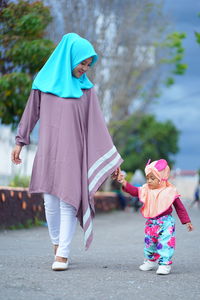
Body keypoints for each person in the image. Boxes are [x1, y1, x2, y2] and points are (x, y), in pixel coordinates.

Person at [11, 33, 123, 271]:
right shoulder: (43, 83)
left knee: (68, 201)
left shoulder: (87, 91)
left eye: (88, 64)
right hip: (49, 150)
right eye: (82, 62)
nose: (85, 68)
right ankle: (56, 244)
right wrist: (20, 142)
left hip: (74, 153)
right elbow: (31, 114)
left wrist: (112, 160)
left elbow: (98, 126)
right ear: (68, 57)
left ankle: (63, 253)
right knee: (49, 201)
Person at [114, 159, 193, 275]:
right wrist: (124, 182)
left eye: (153, 178)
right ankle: (150, 261)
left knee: (166, 243)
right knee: (149, 242)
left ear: (161, 178)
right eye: (148, 178)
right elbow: (135, 191)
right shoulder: (147, 189)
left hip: (166, 222)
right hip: (152, 223)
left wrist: (187, 221)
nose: (149, 181)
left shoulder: (170, 191)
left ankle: (165, 264)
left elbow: (179, 207)